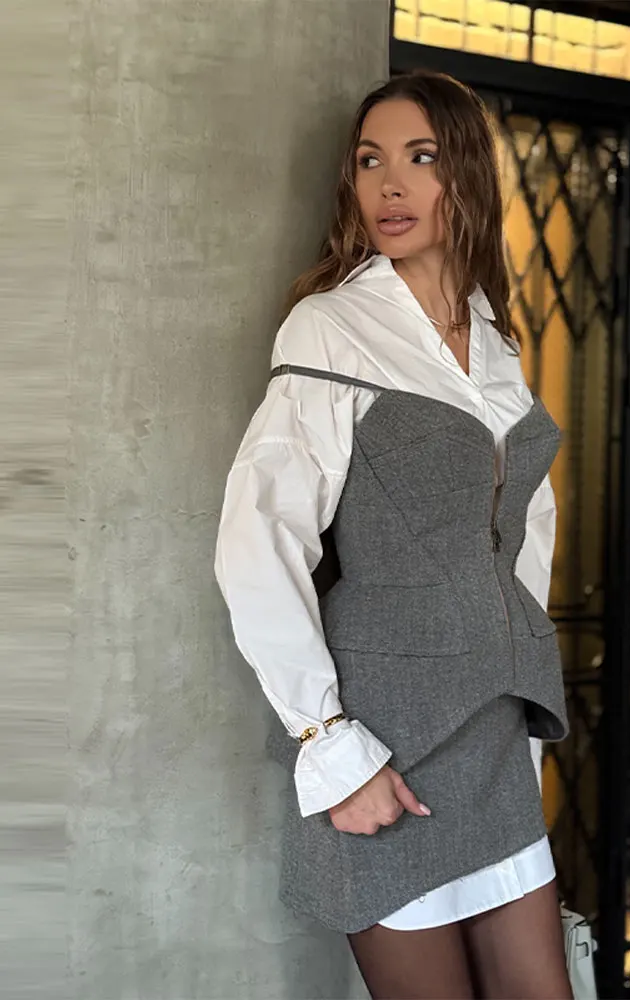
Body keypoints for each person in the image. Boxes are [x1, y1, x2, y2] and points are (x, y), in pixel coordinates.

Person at [215, 70, 574, 1000]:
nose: (391, 184)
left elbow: (525, 534)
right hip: (384, 742)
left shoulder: (498, 341)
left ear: (467, 175)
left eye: (422, 157)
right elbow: (259, 538)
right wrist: (333, 750)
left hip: (494, 734)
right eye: (371, 161)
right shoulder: (332, 327)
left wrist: (523, 682)